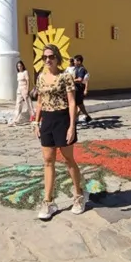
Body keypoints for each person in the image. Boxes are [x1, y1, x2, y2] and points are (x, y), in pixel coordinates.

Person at [33, 44, 85, 220]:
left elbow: (71, 102)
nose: (48, 60)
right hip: (47, 120)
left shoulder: (66, 77)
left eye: (51, 56)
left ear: (57, 58)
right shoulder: (40, 77)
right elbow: (39, 102)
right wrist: (35, 122)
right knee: (48, 161)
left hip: (62, 119)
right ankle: (48, 202)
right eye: (44, 57)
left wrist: (72, 126)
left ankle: (78, 195)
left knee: (69, 159)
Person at [9, 61, 34, 126]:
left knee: (28, 104)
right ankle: (16, 119)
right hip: (19, 89)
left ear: (23, 66)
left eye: (20, 66)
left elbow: (28, 81)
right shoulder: (18, 73)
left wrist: (27, 90)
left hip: (24, 88)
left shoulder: (25, 72)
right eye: (18, 66)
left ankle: (33, 117)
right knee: (18, 105)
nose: (19, 67)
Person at [72, 55, 92, 124]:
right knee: (79, 104)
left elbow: (81, 79)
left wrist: (71, 80)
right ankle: (85, 116)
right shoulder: (76, 68)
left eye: (75, 60)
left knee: (78, 104)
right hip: (76, 89)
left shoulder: (82, 69)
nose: (74, 62)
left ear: (79, 61)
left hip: (79, 89)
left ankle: (74, 118)